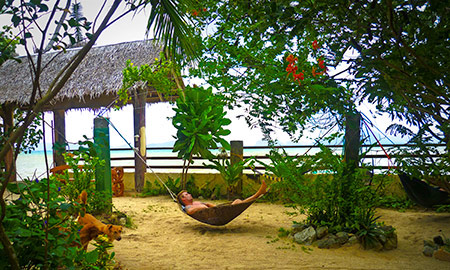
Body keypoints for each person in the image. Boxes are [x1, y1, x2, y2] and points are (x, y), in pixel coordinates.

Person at [177, 180, 267, 215]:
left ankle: (259, 193)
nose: (189, 194)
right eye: (186, 194)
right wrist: (203, 207)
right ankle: (258, 193)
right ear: (184, 199)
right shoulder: (189, 207)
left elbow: (208, 205)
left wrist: (217, 207)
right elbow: (190, 211)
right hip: (216, 216)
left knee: (237, 201)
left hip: (218, 212)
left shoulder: (195, 203)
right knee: (238, 203)